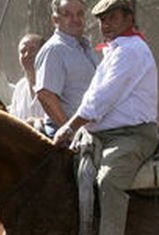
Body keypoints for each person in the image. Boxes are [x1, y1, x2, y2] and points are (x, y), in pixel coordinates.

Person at [53, 0, 158, 235]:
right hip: (101, 134)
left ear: (128, 19)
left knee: (109, 179)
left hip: (133, 135)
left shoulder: (131, 51)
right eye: (102, 19)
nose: (106, 24)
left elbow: (102, 98)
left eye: (112, 18)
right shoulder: (114, 51)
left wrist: (70, 126)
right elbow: (95, 96)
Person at [34, 0, 101, 136]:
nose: (75, 19)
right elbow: (46, 95)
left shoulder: (86, 47)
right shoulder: (55, 50)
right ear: (55, 19)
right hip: (67, 139)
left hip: (90, 132)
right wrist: (70, 131)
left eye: (80, 14)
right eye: (68, 15)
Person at [10, 33, 46, 121]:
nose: (27, 55)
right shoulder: (19, 88)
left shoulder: (54, 84)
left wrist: (37, 123)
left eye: (32, 50)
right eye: (23, 51)